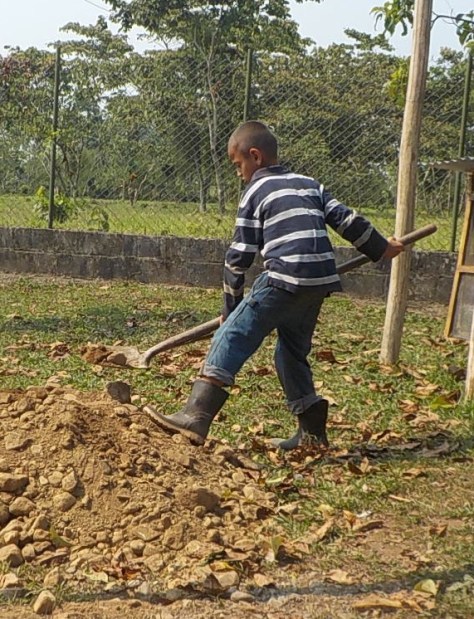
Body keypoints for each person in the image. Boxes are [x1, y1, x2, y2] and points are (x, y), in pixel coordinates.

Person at [144, 121, 404, 449]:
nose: (239, 174)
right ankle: (311, 433)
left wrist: (231, 309)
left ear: (255, 156)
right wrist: (382, 248)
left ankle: (195, 415)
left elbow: (238, 257)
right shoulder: (310, 184)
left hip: (283, 277)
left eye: (238, 165)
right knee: (291, 352)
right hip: (319, 282)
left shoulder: (255, 191)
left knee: (232, 336)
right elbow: (347, 220)